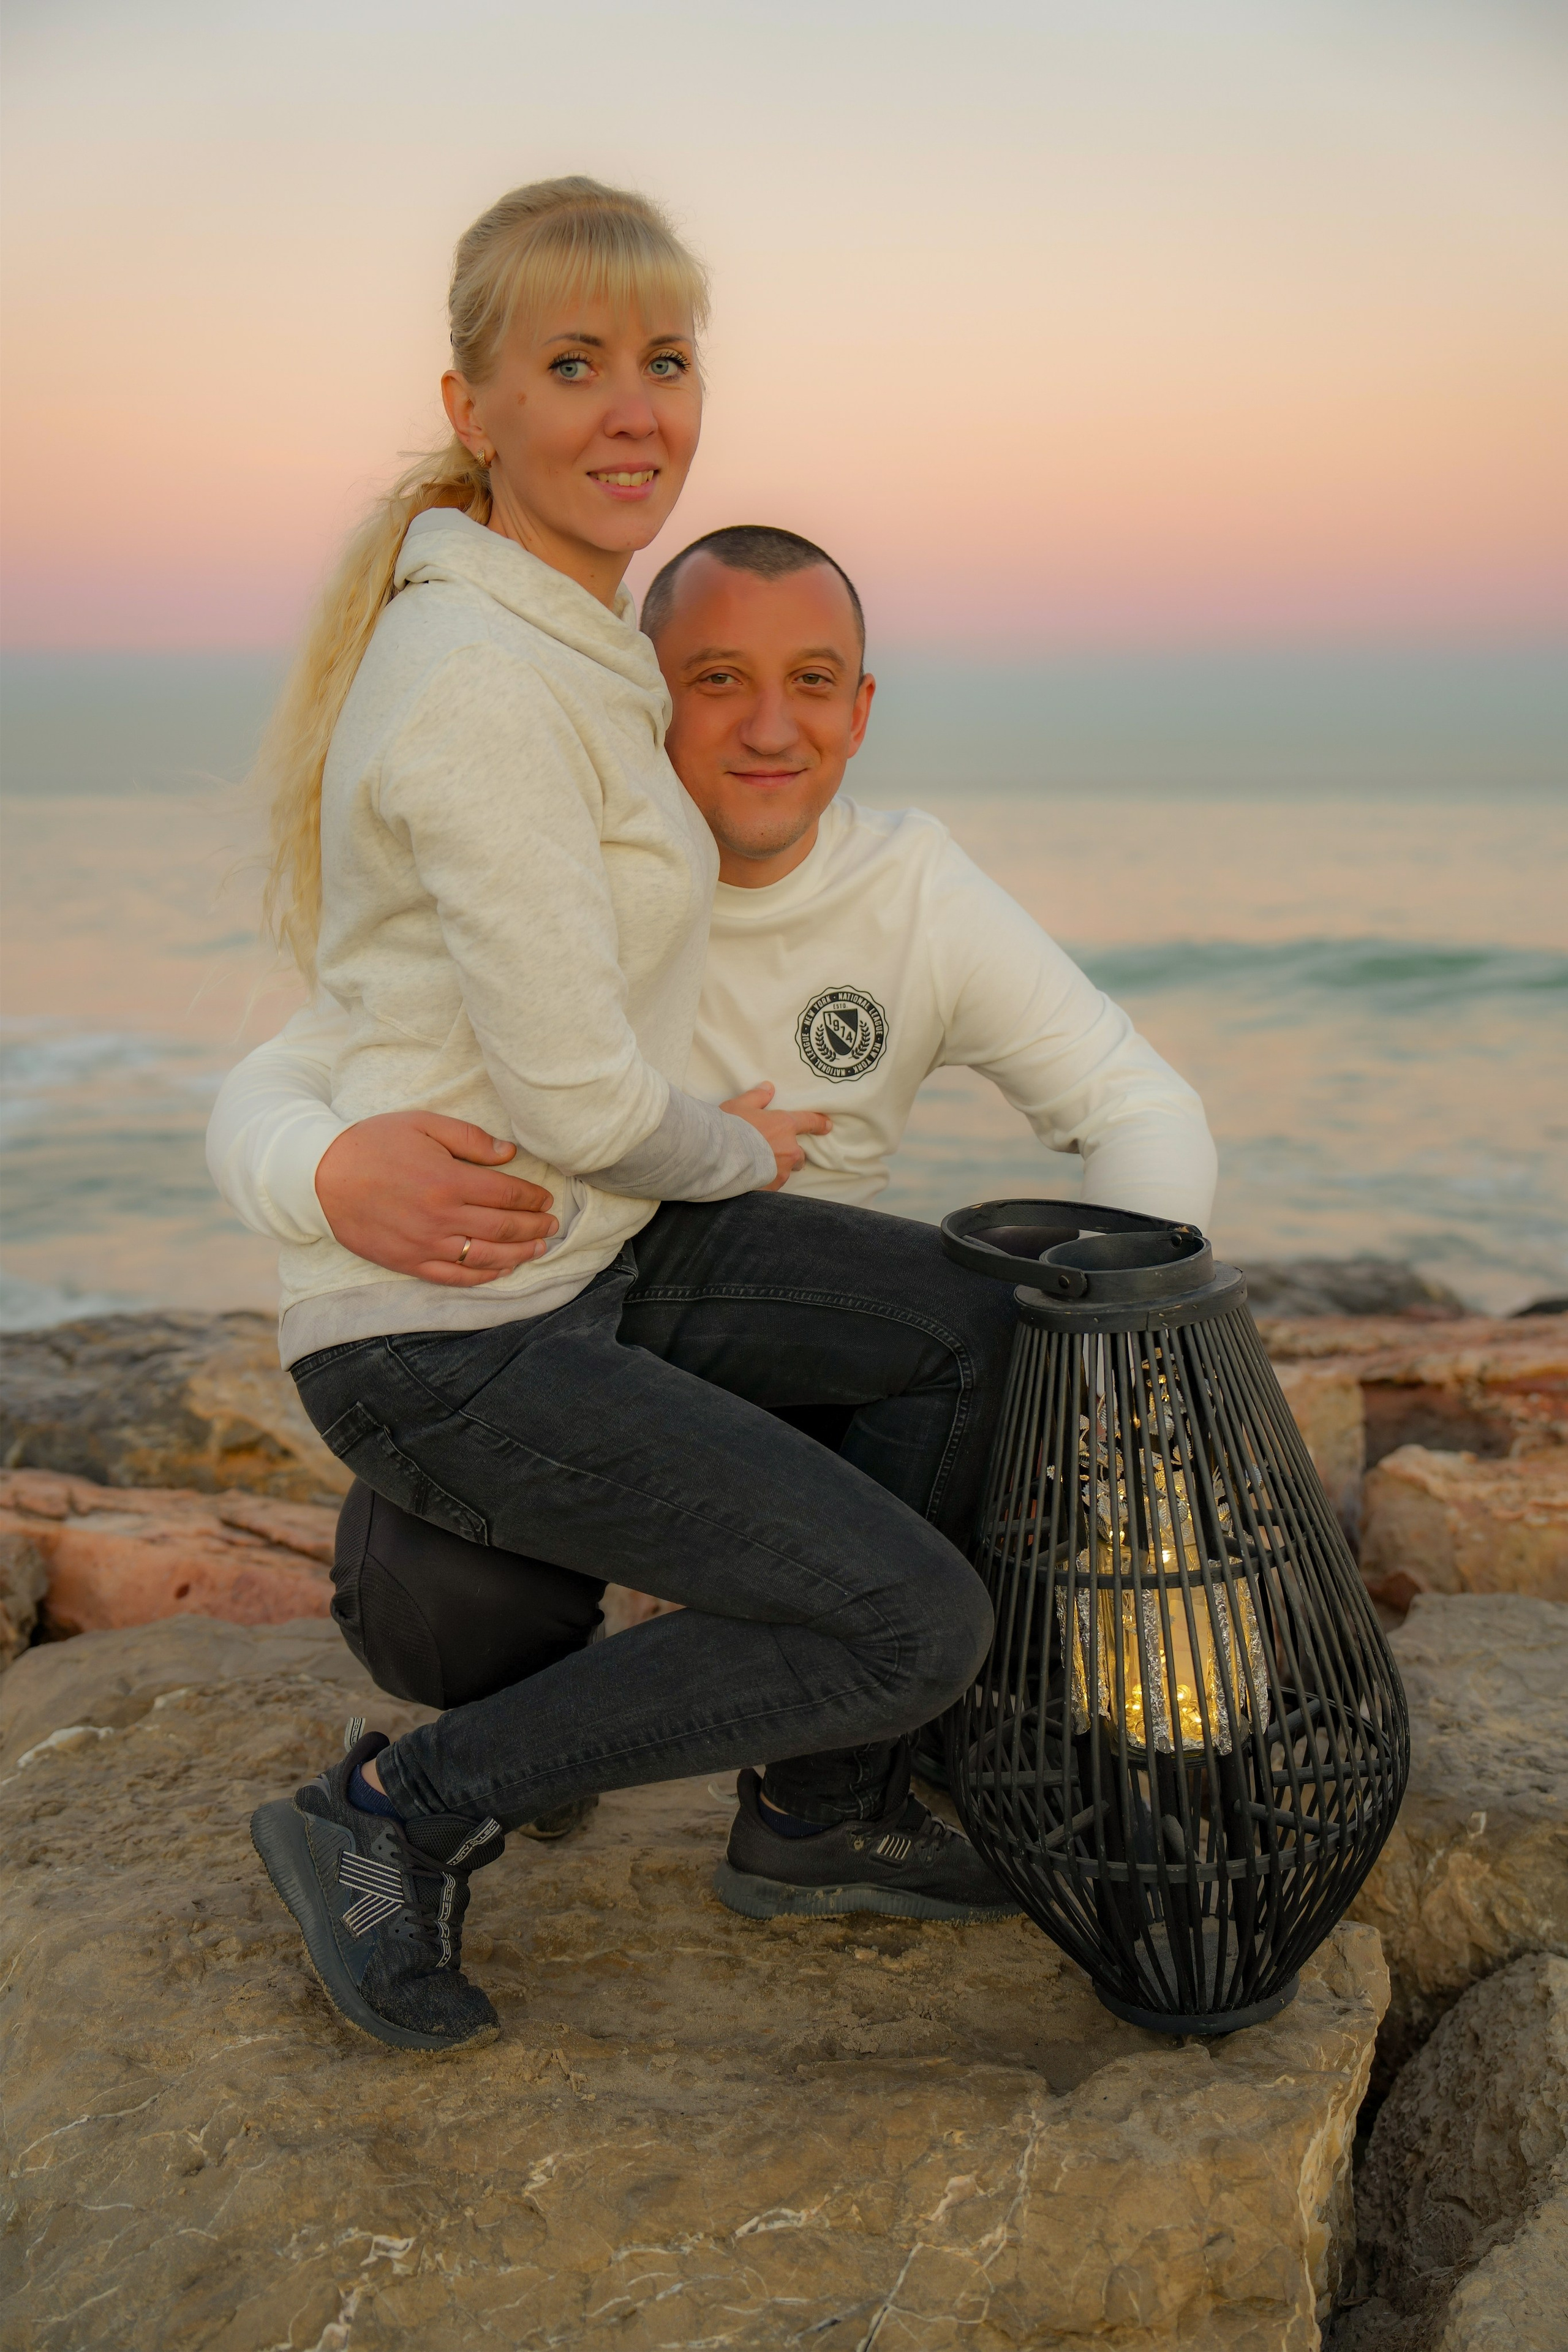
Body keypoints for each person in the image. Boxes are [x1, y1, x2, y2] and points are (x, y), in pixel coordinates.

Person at [232, 173, 1060, 2061]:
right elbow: (577, 1096)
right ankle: (391, 1818)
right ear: (476, 409)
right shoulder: (481, 685)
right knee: (911, 1625)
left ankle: (817, 1812)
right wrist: (744, 1147)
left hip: (583, 1257)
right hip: (454, 1336)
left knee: (979, 1321)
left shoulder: (576, 644)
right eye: (575, 363)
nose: (634, 409)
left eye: (667, 362)